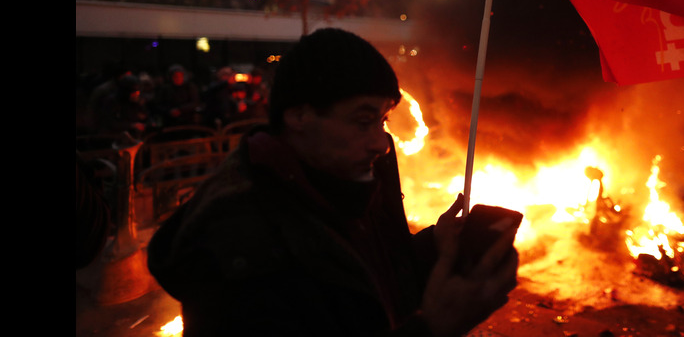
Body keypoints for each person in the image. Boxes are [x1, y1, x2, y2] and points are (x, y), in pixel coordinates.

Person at [147, 28, 520, 337]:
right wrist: (435, 329)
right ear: (300, 117)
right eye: (363, 120)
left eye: (384, 121)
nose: (380, 143)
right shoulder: (240, 240)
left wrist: (432, 247)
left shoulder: (347, 186)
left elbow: (365, 281)